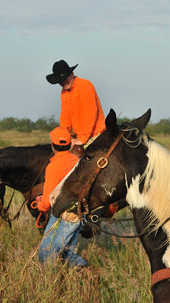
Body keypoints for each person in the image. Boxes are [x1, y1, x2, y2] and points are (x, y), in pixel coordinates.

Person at [37, 127, 86, 268]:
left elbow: (46, 204)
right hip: (77, 214)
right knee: (66, 253)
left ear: (52, 145)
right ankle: (88, 275)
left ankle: (50, 287)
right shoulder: (78, 161)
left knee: (46, 254)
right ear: (70, 144)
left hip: (62, 214)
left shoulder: (53, 167)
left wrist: (40, 204)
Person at [46, 59, 106, 151]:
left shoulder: (85, 85)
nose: (63, 83)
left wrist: (82, 139)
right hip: (79, 137)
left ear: (71, 74)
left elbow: (90, 114)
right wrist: (63, 137)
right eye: (60, 81)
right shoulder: (64, 93)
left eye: (65, 79)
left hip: (95, 135)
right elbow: (65, 118)